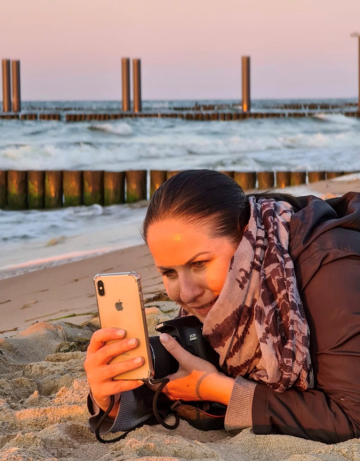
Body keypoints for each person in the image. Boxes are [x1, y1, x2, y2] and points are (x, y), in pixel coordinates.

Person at [84, 169, 360, 444]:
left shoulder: (329, 267)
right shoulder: (236, 300)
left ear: (245, 237)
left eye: (199, 264)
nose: (187, 294)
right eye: (169, 273)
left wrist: (222, 390)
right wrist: (111, 398)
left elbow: (351, 415)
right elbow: (186, 388)